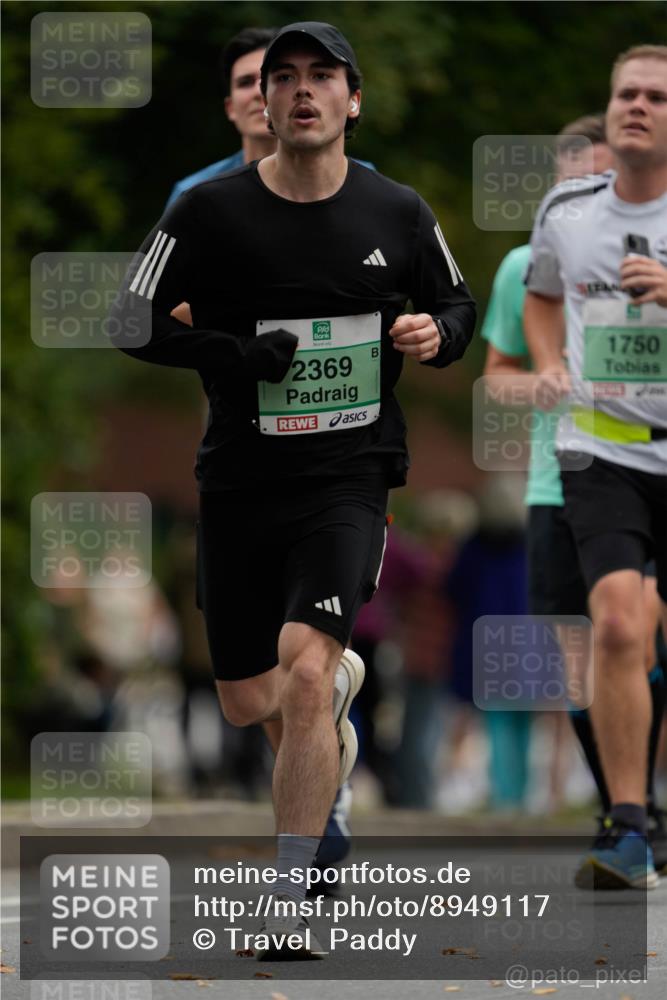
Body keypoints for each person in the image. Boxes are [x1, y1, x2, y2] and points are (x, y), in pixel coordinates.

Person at [115, 20, 476, 957]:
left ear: (353, 99)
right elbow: (129, 320)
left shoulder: (395, 210)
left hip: (349, 478)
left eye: (323, 76)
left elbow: (455, 304)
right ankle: (332, 697)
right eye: (285, 78)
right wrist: (235, 356)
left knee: (306, 671)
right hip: (238, 481)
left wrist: (433, 338)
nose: (303, 91)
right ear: (262, 103)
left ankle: (287, 897)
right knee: (246, 699)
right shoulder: (207, 213)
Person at [524, 44, 667, 889]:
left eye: (654, 95)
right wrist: (546, 362)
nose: (636, 106)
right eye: (624, 94)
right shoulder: (567, 209)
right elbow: (542, 296)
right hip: (600, 445)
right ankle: (626, 825)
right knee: (612, 624)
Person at [166, 27, 278, 209]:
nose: (260, 92)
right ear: (230, 108)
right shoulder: (192, 194)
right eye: (246, 82)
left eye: (273, 79)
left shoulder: (336, 185)